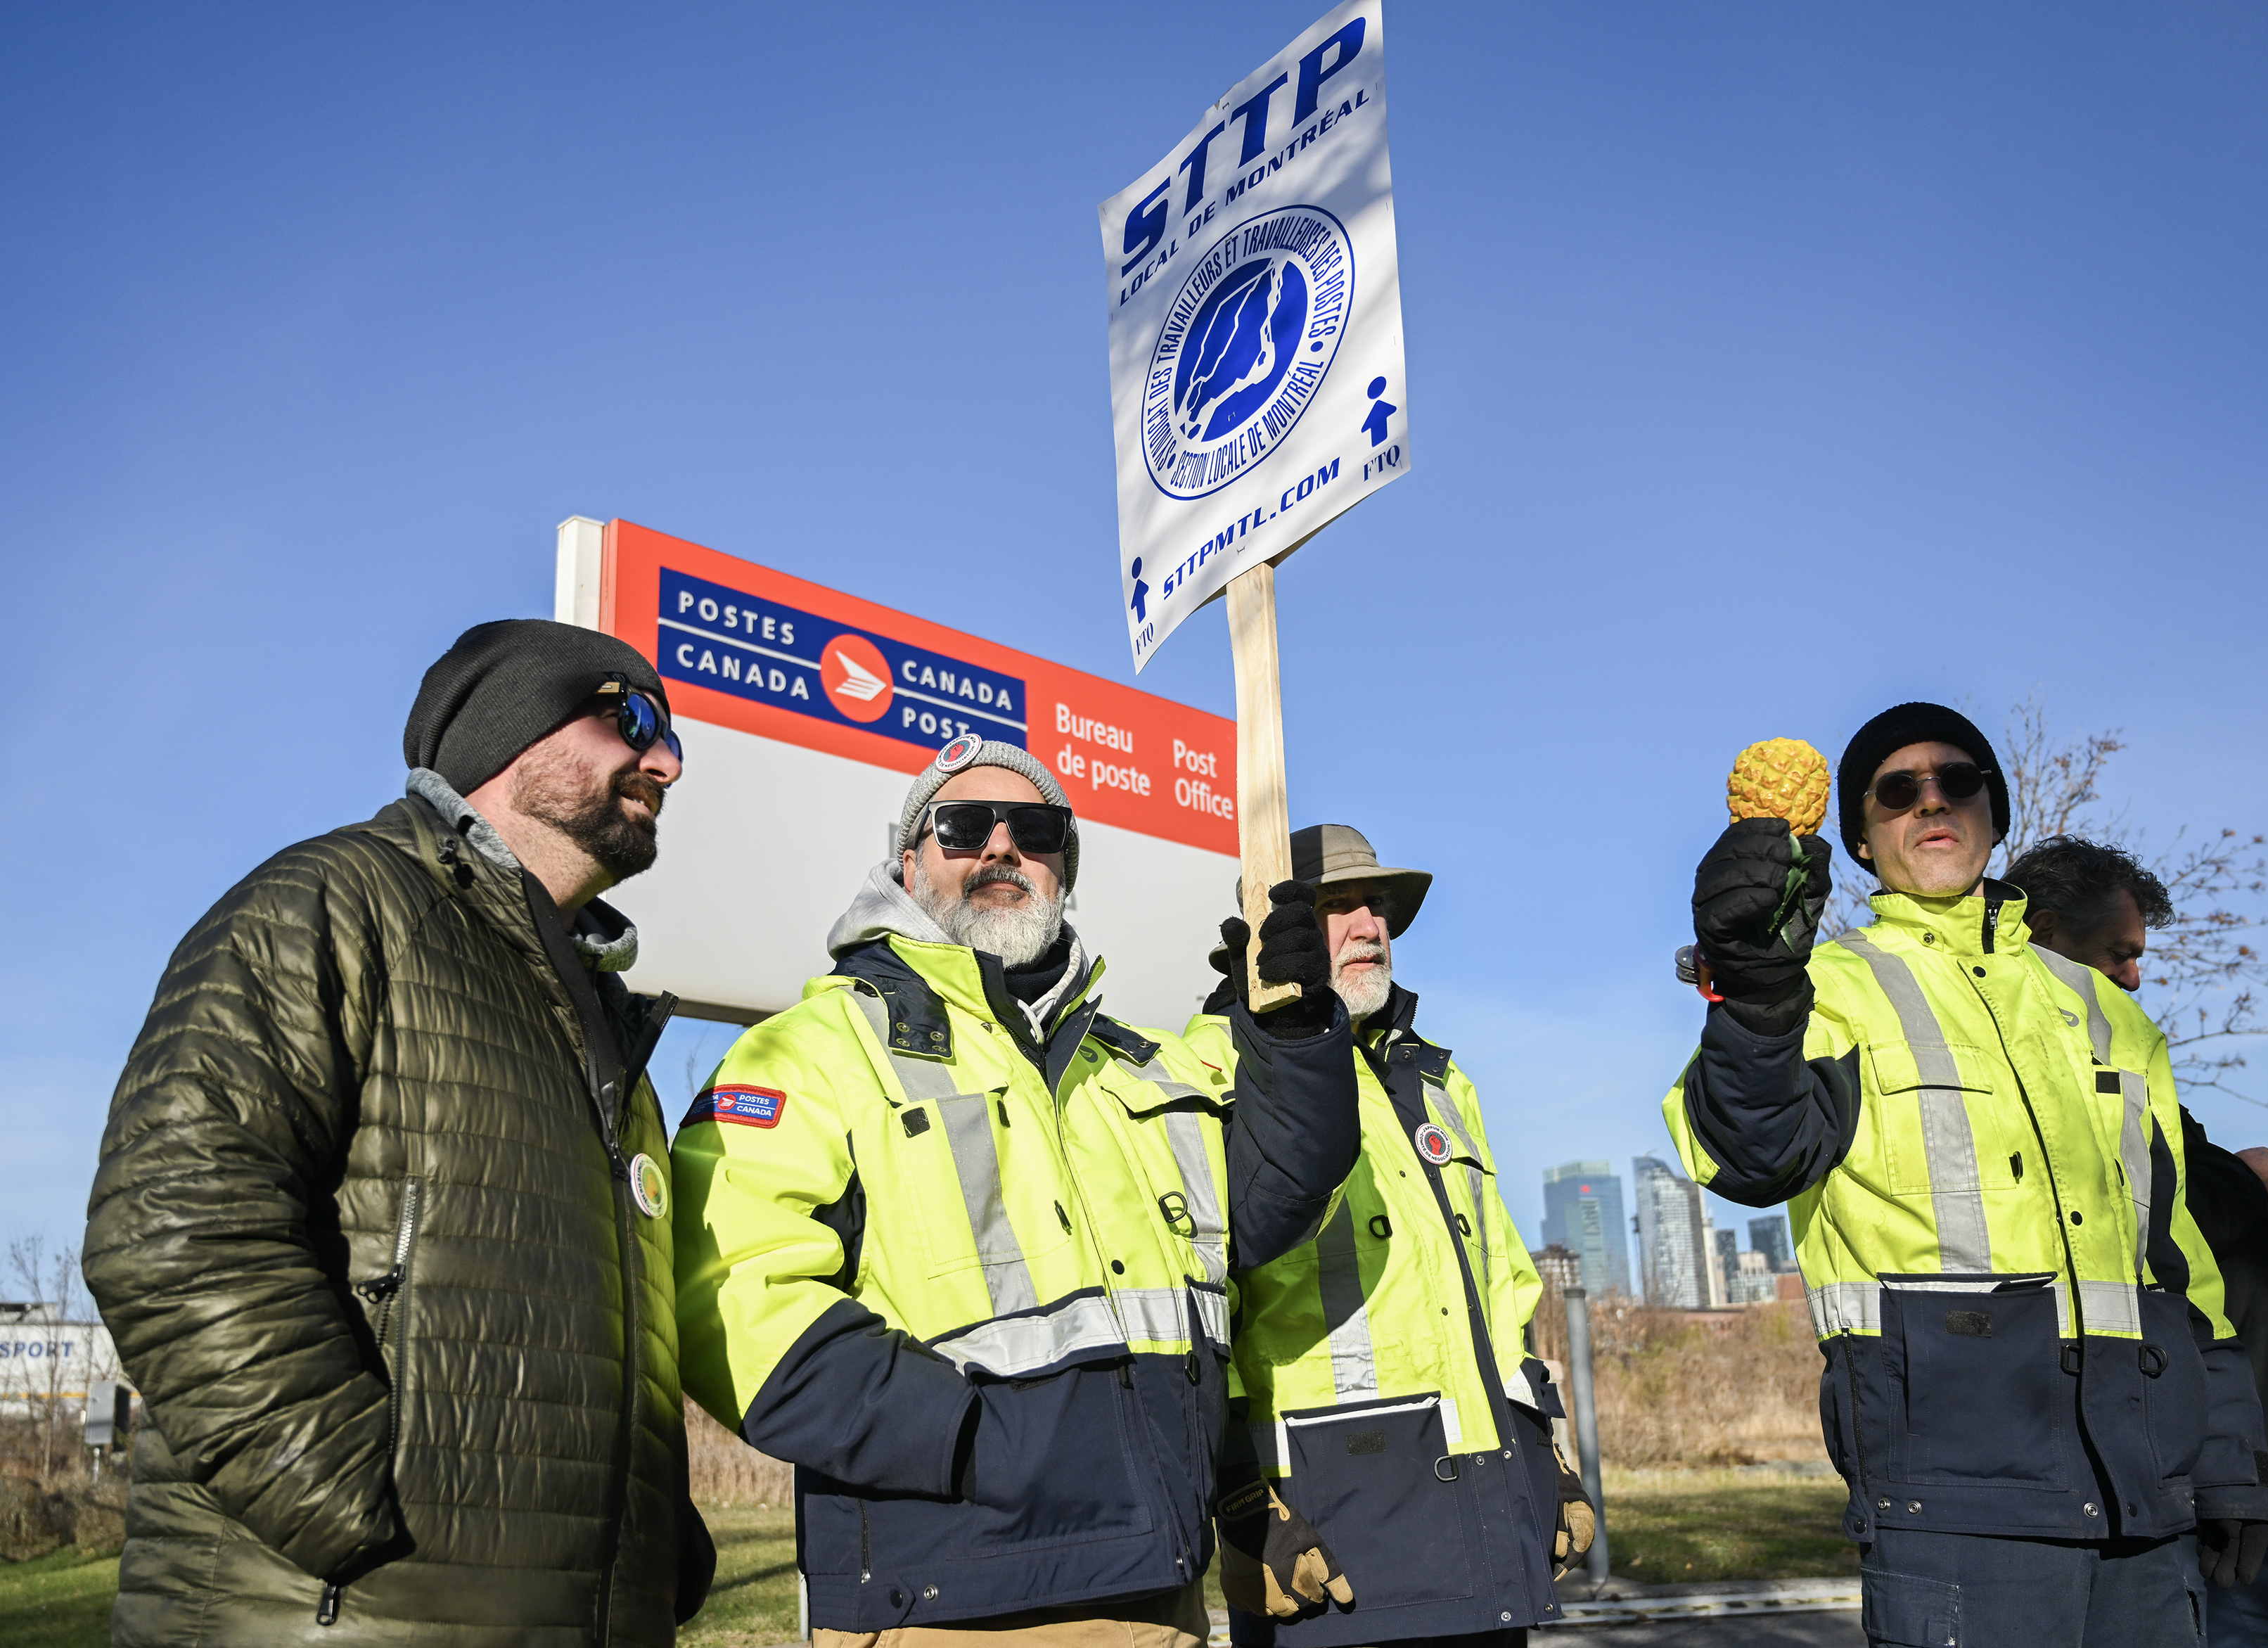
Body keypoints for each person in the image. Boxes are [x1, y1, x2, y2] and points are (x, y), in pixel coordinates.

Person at [84, 618, 715, 1644]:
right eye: (632, 717)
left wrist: (656, 1536)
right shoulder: (330, 903)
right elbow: (171, 1224)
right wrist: (346, 1501)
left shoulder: (609, 1019)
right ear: (510, 732)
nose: (668, 761)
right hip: (339, 1610)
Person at [672, 734, 1362, 1648]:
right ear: (908, 860)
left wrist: (1294, 1039)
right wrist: (981, 1439)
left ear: (1062, 867)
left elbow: (1273, 1204)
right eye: (961, 825)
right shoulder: (810, 1049)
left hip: (1163, 1593)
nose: (1001, 845)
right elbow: (727, 1299)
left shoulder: (1143, 1062)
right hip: (944, 1603)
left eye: (1033, 828)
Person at [1662, 702, 2268, 1648]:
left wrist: (2230, 1457)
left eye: (1959, 780)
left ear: (1997, 811)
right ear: (1861, 838)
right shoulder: (1828, 989)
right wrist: (1756, 989)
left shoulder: (2105, 1010)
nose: (1933, 800)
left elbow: (2179, 1256)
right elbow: (1750, 1152)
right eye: (1898, 790)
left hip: (2147, 1495)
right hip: (1955, 1500)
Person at [1184, 824, 1591, 1648]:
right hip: (1330, 1551)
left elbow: (1502, 1294)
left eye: (1376, 905)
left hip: (1481, 1540)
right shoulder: (1208, 1068)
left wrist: (1543, 1452)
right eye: (1336, 906)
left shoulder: (1438, 1082)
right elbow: (1197, 1310)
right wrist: (1240, 1504)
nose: (1369, 924)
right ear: (1276, 926)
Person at [2011, 833, 2268, 1648]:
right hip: (2163, 1456)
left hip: (2209, 1451)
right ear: (2047, 933)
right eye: (2117, 955)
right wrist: (2247, 1180)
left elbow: (2188, 1248)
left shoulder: (2125, 1056)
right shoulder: (2036, 1072)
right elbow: (2149, 1213)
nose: (2135, 977)